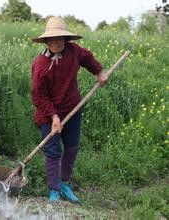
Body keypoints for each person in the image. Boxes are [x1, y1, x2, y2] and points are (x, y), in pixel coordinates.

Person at [31, 17, 107, 203]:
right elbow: (38, 96)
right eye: (51, 39)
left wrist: (98, 72)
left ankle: (64, 183)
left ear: (66, 39)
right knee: (53, 150)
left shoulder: (74, 51)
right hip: (48, 114)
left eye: (59, 38)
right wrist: (53, 116)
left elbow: (87, 58)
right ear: (46, 41)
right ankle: (54, 189)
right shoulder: (40, 65)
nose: (55, 42)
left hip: (73, 108)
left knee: (71, 148)